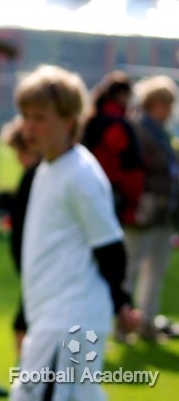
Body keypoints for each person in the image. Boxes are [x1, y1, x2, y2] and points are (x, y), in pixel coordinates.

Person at [9, 65, 139, 401]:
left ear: (69, 122)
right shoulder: (46, 169)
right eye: (26, 116)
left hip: (71, 326)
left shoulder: (81, 174)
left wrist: (122, 301)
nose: (28, 127)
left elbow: (110, 247)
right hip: (48, 322)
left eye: (40, 117)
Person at [125, 75, 179, 342]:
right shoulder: (137, 129)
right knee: (130, 269)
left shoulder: (164, 134)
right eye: (164, 103)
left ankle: (147, 323)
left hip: (164, 214)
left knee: (156, 271)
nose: (168, 109)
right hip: (142, 212)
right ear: (152, 102)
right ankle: (123, 324)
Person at [0, 115, 39, 357]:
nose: (17, 159)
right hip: (34, 267)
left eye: (18, 152)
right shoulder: (40, 176)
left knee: (23, 325)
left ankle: (28, 373)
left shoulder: (35, 177)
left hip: (38, 267)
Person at [82, 70, 145, 227]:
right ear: (121, 95)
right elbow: (127, 163)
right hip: (113, 191)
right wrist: (132, 197)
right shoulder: (116, 124)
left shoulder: (93, 119)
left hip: (90, 187)